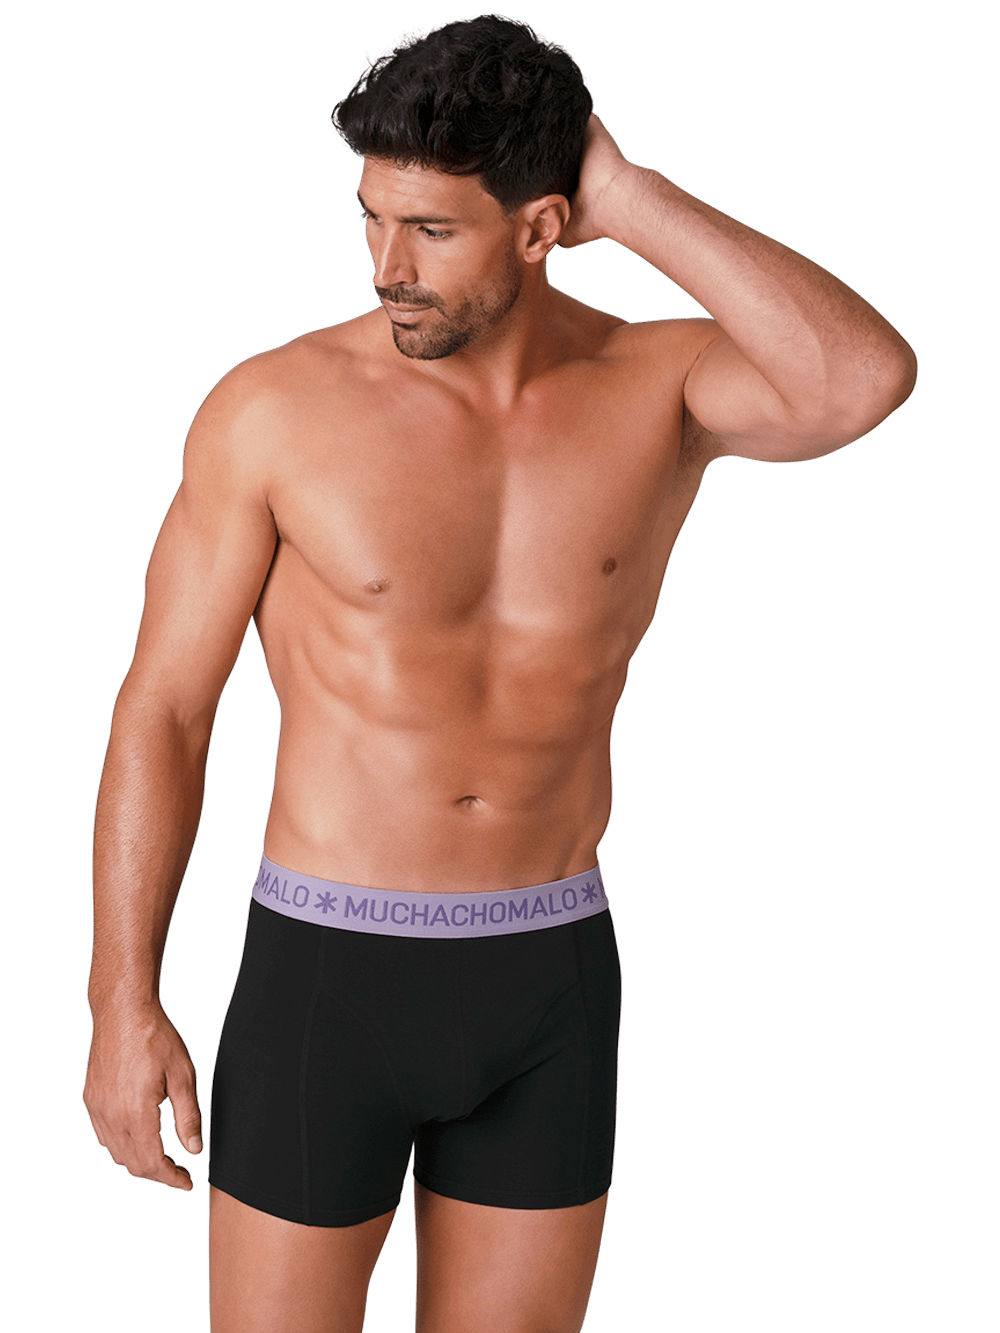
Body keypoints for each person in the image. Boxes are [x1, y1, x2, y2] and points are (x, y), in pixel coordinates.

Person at [82, 14, 916, 1333]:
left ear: (541, 227)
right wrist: (120, 1000)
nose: (387, 266)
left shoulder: (657, 387)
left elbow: (858, 381)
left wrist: (630, 195)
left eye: (432, 230)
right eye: (372, 219)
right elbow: (166, 710)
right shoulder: (273, 409)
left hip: (550, 974)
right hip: (329, 973)